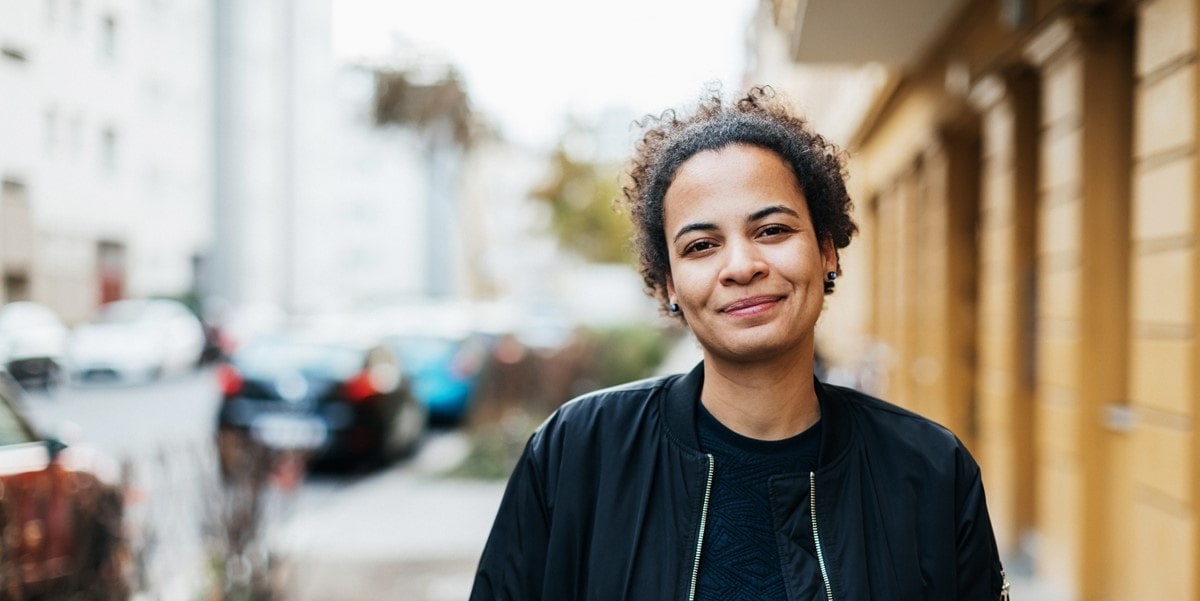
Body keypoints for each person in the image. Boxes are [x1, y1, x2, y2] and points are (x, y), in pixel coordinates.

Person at [470, 85, 1008, 600]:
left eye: (772, 230)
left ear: (826, 252)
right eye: (702, 245)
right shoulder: (576, 453)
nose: (742, 266)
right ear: (669, 284)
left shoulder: (931, 470)